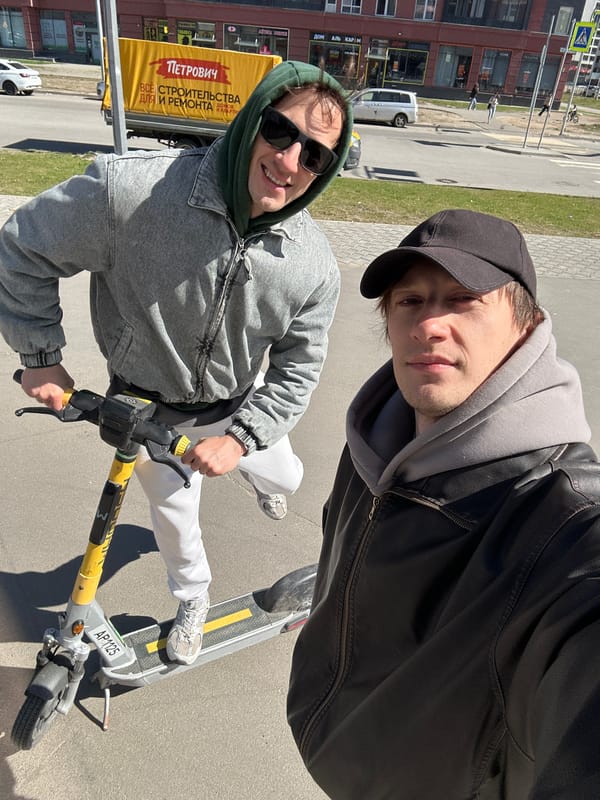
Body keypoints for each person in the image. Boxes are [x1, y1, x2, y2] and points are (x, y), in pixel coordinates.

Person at [0, 61, 353, 666]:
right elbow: (21, 246)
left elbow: (299, 368)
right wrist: (40, 357)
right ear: (251, 122)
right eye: (279, 131)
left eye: (315, 155)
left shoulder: (312, 264)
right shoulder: (132, 193)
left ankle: (258, 475)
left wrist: (243, 440)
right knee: (175, 520)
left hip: (238, 407)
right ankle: (193, 599)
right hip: (147, 413)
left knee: (284, 478)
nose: (291, 162)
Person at [287, 209, 600, 799]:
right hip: (339, 754)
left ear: (527, 327)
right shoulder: (376, 444)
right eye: (409, 301)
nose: (429, 324)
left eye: (461, 299)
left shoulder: (563, 521)